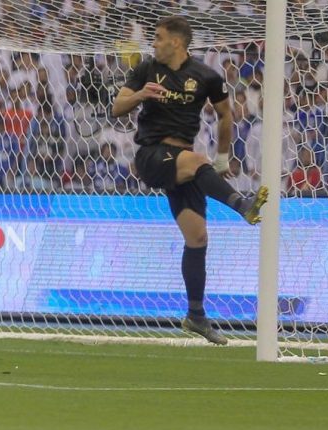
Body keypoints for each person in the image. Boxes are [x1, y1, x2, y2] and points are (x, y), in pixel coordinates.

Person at [111, 16, 268, 345]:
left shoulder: (206, 76)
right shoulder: (146, 70)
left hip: (182, 164)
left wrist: (224, 157)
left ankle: (196, 315)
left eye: (158, 37)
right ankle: (242, 204)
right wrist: (141, 95)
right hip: (153, 155)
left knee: (197, 238)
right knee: (198, 161)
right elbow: (116, 107)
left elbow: (226, 114)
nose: (153, 43)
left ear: (177, 42)